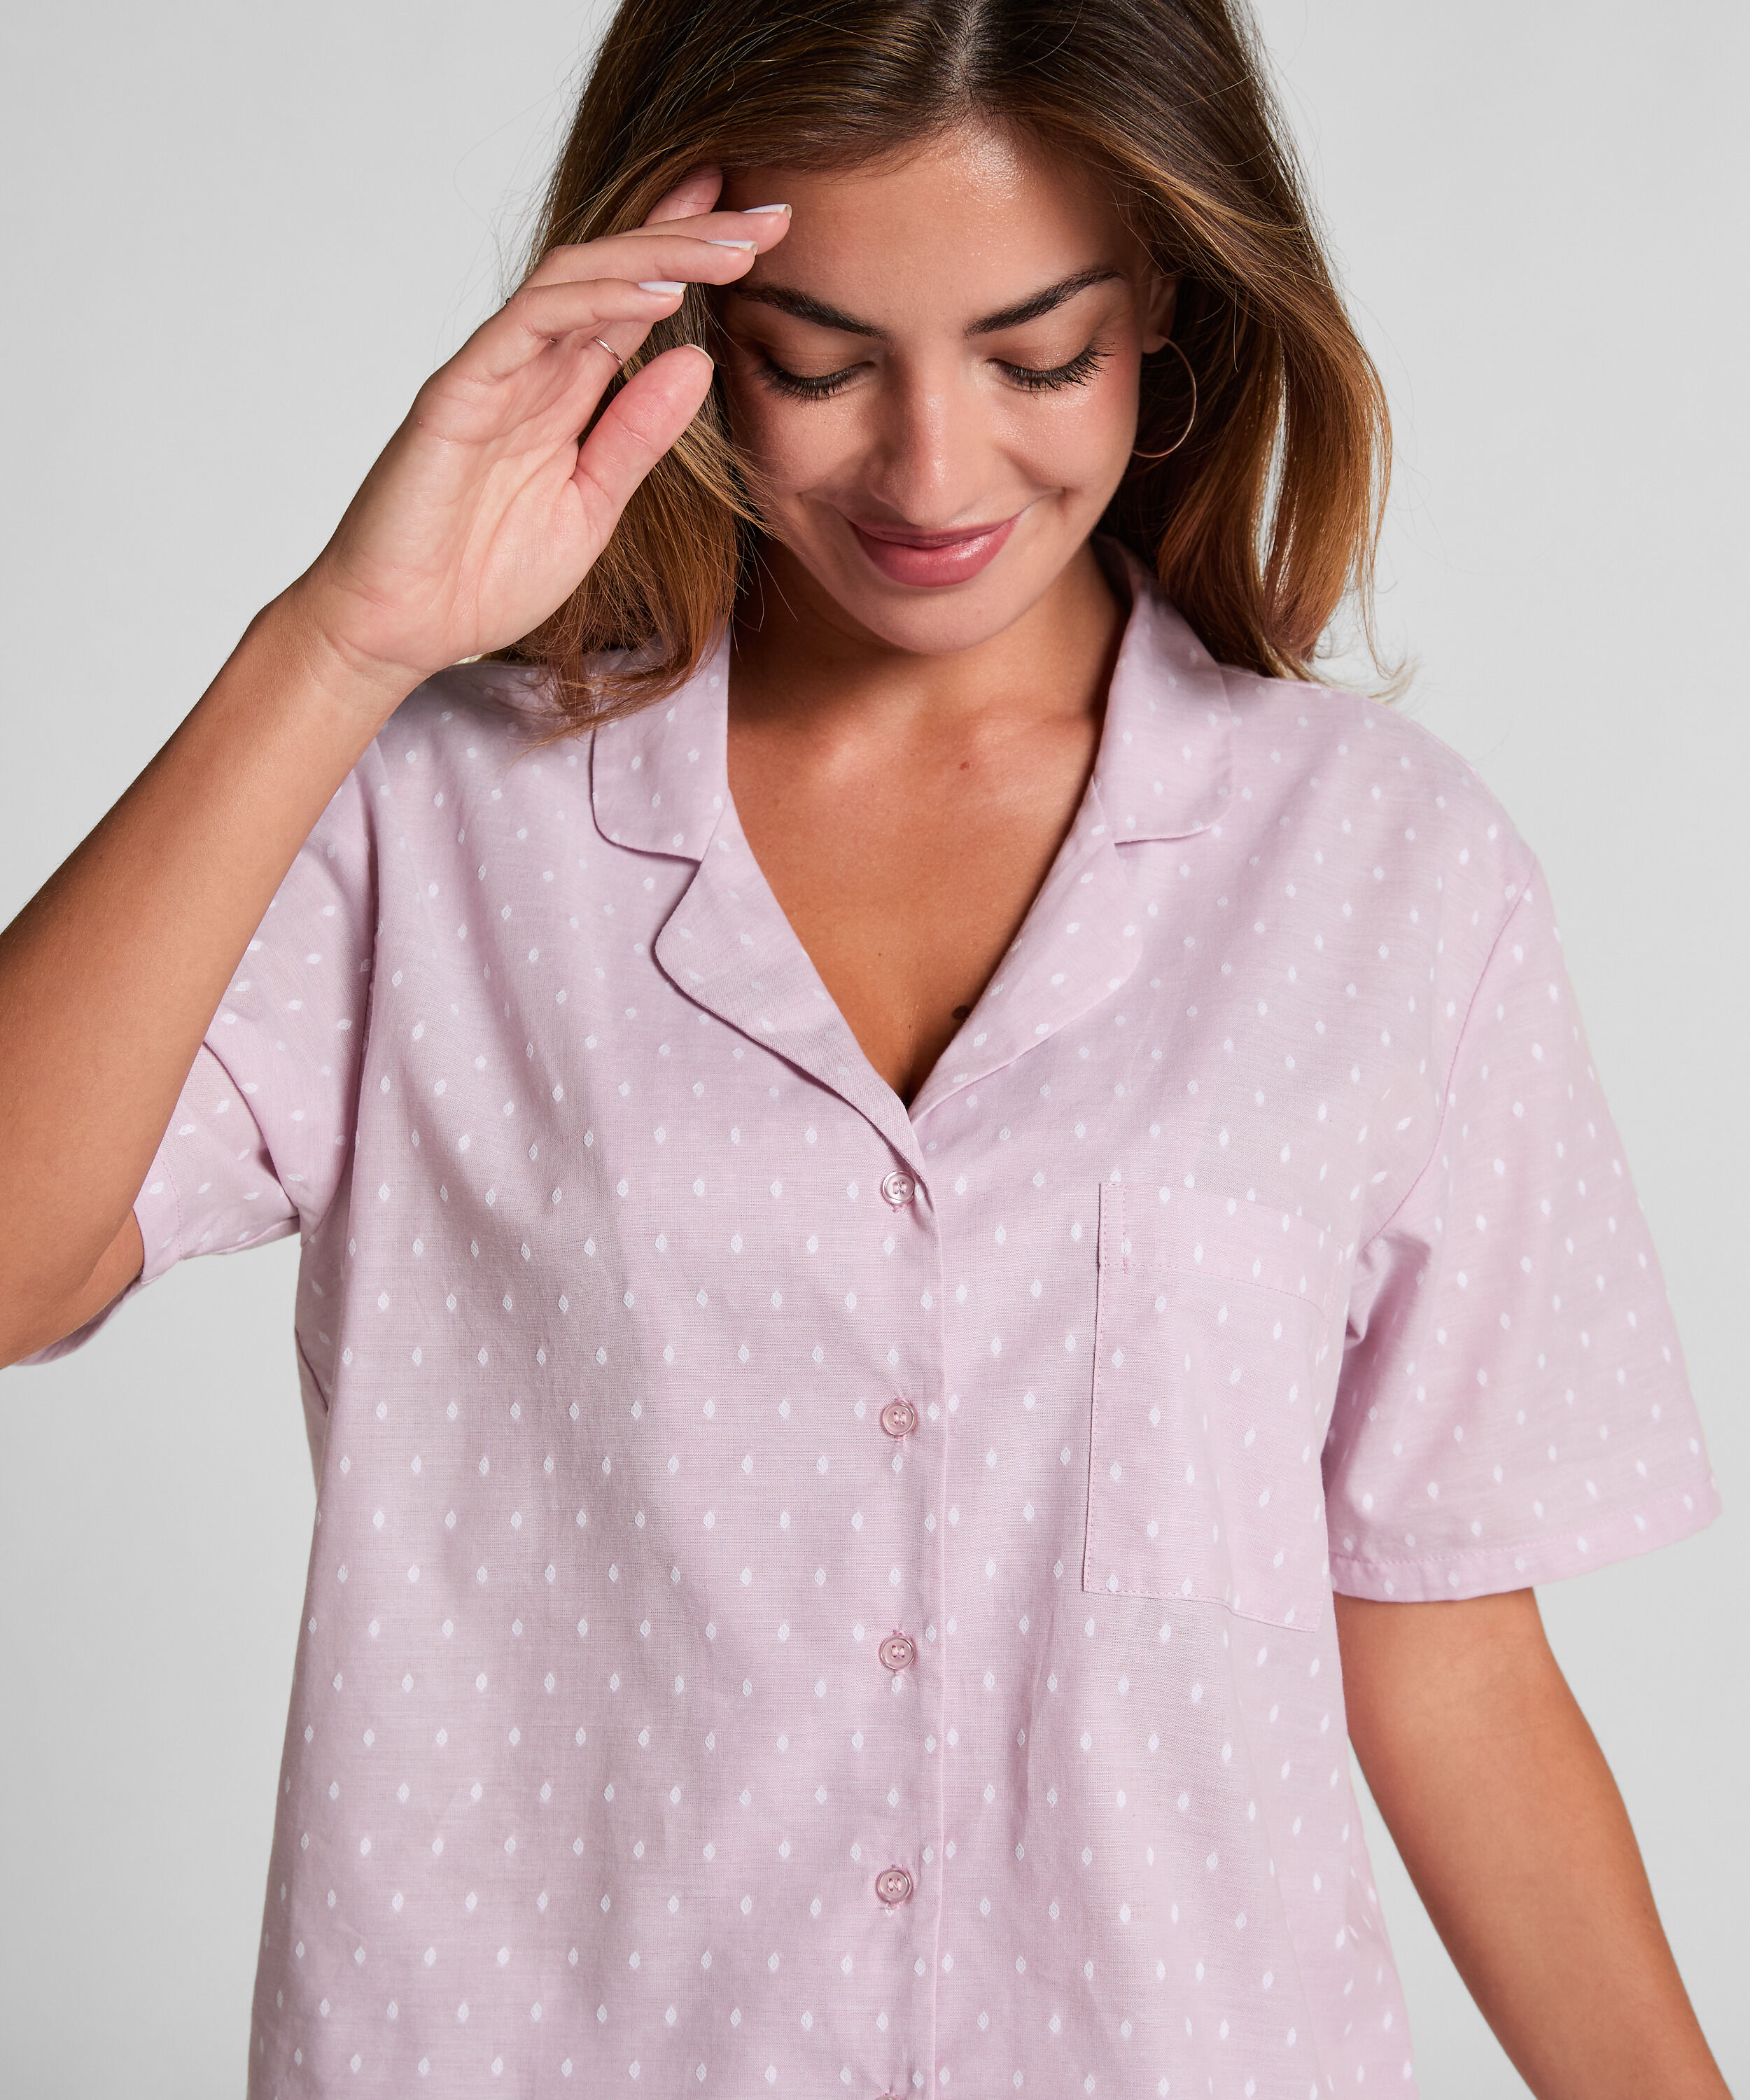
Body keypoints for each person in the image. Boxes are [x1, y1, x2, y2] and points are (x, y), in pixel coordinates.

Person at [0, 0, 1728, 2092]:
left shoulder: (1386, 876)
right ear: (679, 327)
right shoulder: (435, 818)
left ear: (1167, 308)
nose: (929, 471)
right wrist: (340, 643)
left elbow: (1443, 1646)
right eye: (815, 361)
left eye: (1036, 357)